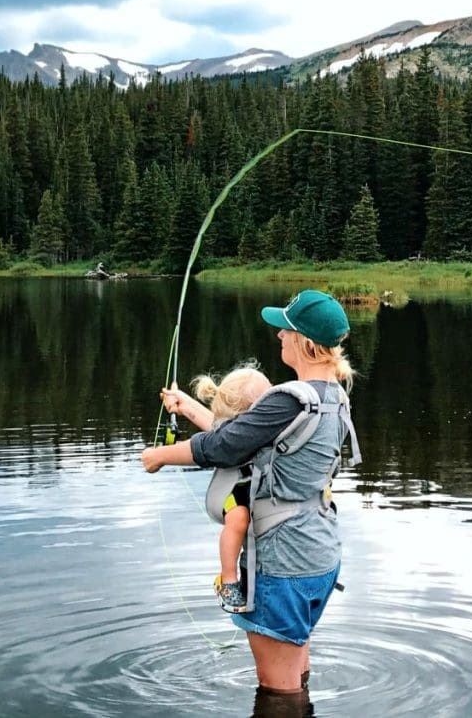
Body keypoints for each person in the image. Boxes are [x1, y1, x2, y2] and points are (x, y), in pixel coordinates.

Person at [142, 289, 357, 695]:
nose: (279, 336)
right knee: (297, 674)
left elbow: (222, 447)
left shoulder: (288, 401)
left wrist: (160, 456)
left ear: (306, 343)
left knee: (278, 693)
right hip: (320, 557)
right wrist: (187, 407)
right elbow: (244, 440)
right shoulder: (332, 399)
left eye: (286, 330)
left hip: (284, 564)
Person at [190, 363, 272, 612]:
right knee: (238, 519)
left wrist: (183, 403)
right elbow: (209, 437)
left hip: (259, 489)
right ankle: (227, 579)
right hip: (235, 493)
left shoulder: (267, 423)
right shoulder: (234, 431)